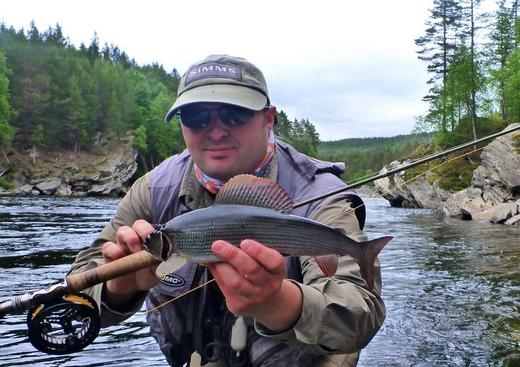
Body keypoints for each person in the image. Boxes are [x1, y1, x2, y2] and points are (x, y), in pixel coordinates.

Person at [70, 54, 386, 367]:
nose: (216, 131)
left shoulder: (321, 194)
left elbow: (360, 312)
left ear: (268, 118)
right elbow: (76, 292)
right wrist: (116, 290)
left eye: (234, 114)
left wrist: (278, 303)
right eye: (196, 117)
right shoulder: (153, 191)